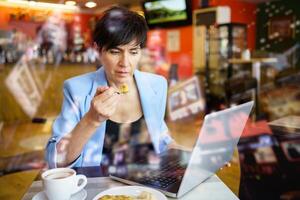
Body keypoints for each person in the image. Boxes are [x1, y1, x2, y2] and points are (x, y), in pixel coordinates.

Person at [46, 6, 176, 168]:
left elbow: (161, 137)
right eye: (115, 52)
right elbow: (56, 161)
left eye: (133, 52)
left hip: (147, 184)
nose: (125, 63)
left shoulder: (157, 85)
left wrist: (184, 155)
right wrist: (91, 119)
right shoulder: (76, 89)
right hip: (99, 187)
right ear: (98, 50)